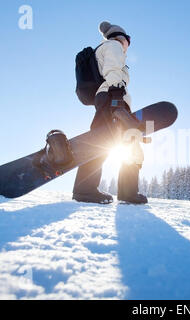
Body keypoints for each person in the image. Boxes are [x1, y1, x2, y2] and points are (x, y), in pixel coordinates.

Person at [72, 21, 148, 205]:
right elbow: (113, 70)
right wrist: (116, 98)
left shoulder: (109, 48)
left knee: (128, 144)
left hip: (111, 98)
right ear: (121, 37)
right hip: (112, 97)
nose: (128, 45)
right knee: (101, 142)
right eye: (127, 40)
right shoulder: (113, 46)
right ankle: (85, 190)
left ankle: (127, 192)